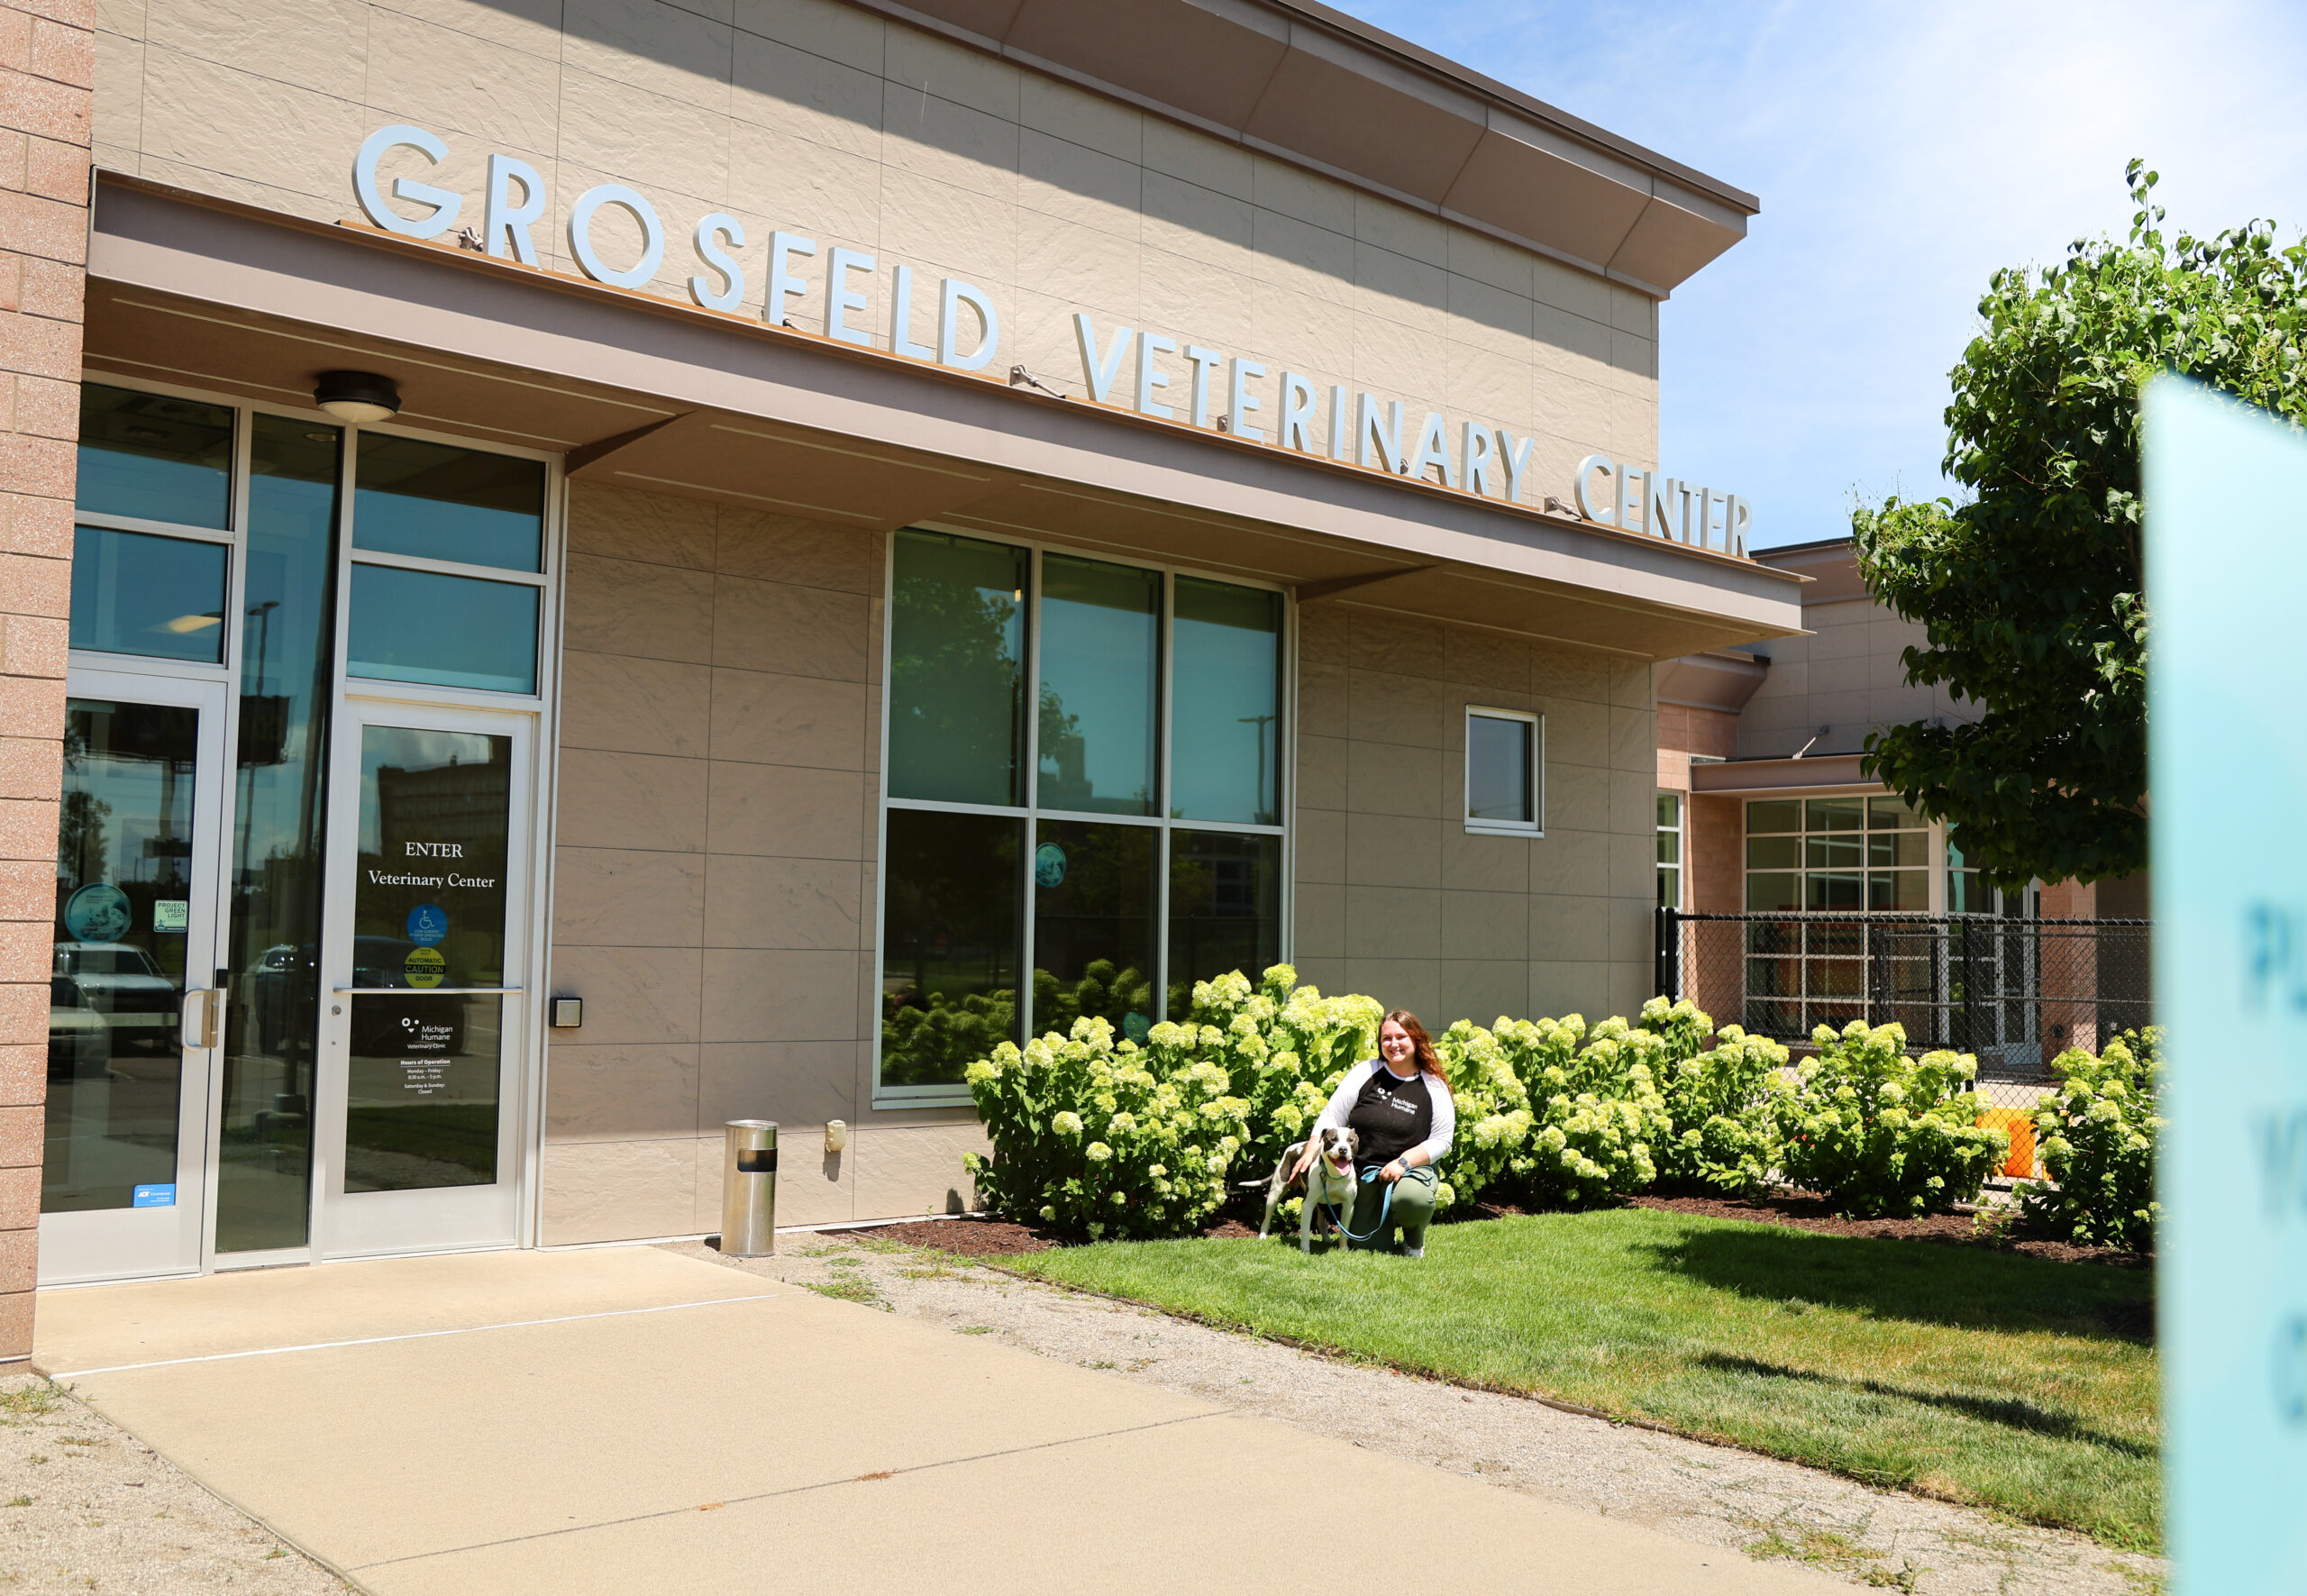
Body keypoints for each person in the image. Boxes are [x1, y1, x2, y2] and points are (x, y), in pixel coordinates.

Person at [1293, 1008, 1454, 1256]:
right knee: (1366, 1247)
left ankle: (1414, 1239)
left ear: (1416, 1039)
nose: (1393, 1044)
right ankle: (1384, 1227)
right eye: (1386, 1038)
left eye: (1401, 1037)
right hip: (1366, 1174)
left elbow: (1442, 1140)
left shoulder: (1433, 1085)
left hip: (1410, 1171)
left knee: (1412, 1199)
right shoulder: (1366, 1072)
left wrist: (1403, 1162)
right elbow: (1332, 1115)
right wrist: (1310, 1149)